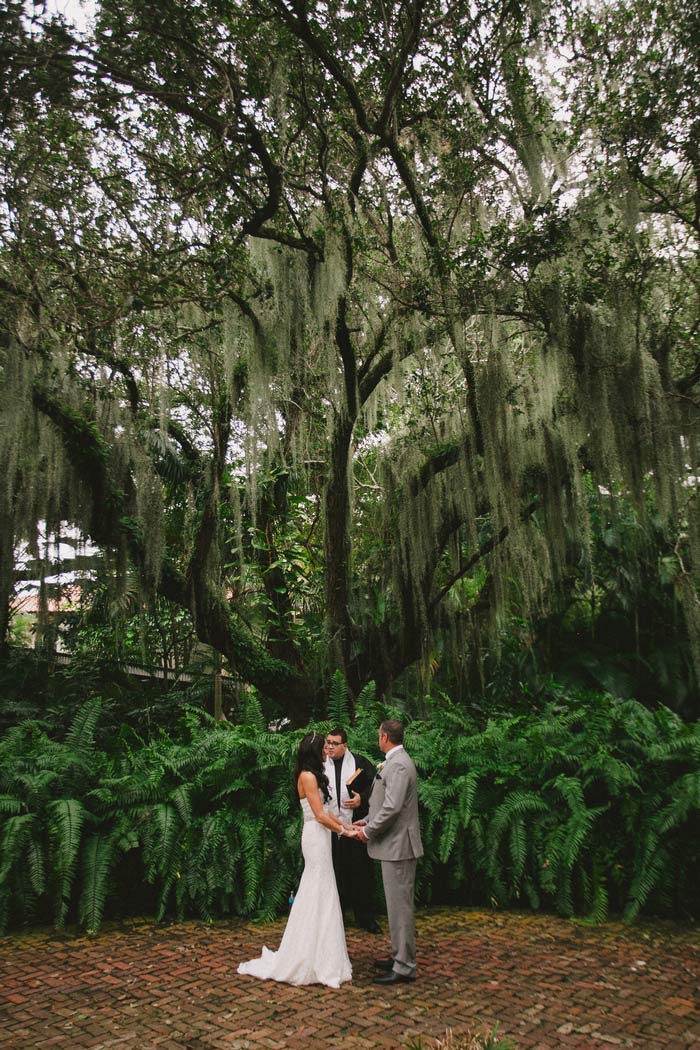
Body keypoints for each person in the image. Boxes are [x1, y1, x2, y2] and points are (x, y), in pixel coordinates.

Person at [237, 732, 356, 988]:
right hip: (315, 837)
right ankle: (307, 954)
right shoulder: (307, 776)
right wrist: (345, 831)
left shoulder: (314, 775)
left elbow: (327, 813)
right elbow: (319, 816)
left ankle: (322, 952)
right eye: (324, 747)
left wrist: (348, 825)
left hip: (322, 835)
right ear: (314, 751)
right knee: (316, 886)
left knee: (324, 887)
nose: (327, 750)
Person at [354, 719, 423, 985]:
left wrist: (368, 832)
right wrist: (368, 821)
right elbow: (385, 803)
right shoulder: (394, 762)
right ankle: (399, 956)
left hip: (399, 846)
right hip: (393, 845)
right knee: (395, 907)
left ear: (384, 737)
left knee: (400, 908)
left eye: (378, 735)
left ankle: (405, 966)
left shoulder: (400, 765)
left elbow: (393, 807)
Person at [324, 727, 380, 934]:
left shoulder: (359, 762)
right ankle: (335, 918)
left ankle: (365, 918)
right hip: (330, 829)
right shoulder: (321, 764)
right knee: (333, 873)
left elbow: (375, 787)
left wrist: (361, 799)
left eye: (334, 743)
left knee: (360, 874)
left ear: (345, 746)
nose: (329, 746)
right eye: (328, 742)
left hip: (355, 826)